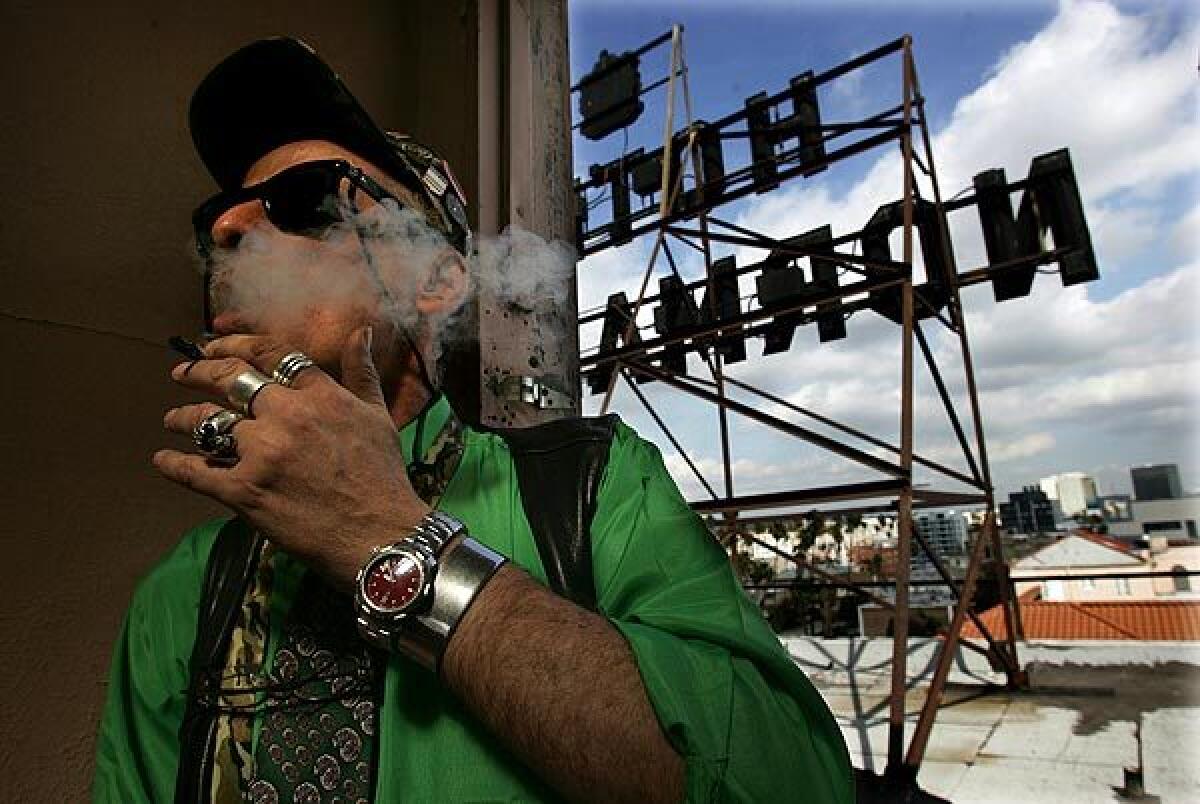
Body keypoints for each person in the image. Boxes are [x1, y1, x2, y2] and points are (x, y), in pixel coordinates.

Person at [92, 37, 854, 804]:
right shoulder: (184, 588)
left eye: (307, 197)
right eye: (217, 217)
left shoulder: (593, 487)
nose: (227, 230)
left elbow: (789, 783)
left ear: (435, 278)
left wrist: (389, 538)